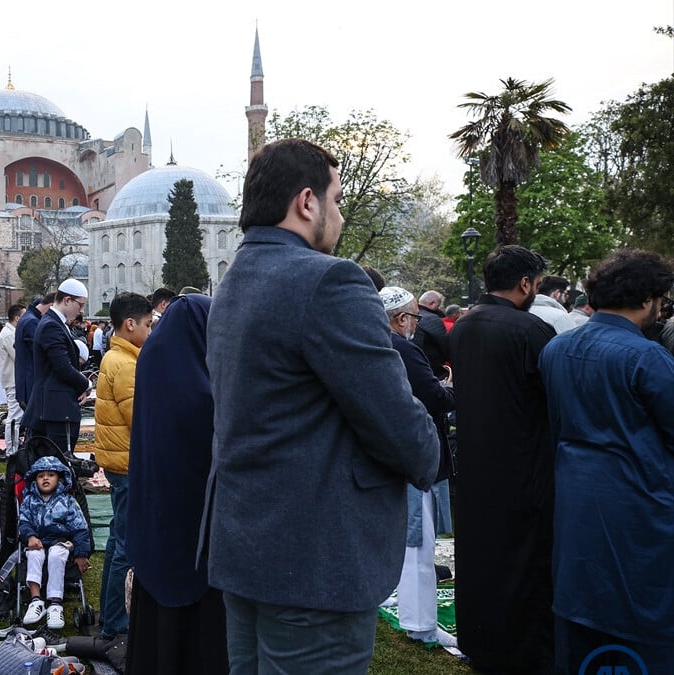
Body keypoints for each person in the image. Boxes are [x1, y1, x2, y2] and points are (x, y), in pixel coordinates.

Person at [206, 139, 439, 674]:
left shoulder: (235, 280)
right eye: (336, 200)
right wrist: (429, 450)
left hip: (248, 546)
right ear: (307, 202)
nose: (339, 215)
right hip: (315, 562)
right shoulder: (329, 279)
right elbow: (399, 425)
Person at [538, 249, 674, 673]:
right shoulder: (647, 357)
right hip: (640, 504)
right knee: (640, 622)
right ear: (648, 299)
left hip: (575, 501)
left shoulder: (555, 348)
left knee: (581, 616)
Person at [448, 245, 556, 673]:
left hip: (477, 463)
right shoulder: (531, 329)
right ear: (525, 283)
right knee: (524, 561)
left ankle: (479, 639)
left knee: (480, 555)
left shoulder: (464, 325)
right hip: (522, 467)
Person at [126, 293, 228, 674]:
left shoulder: (151, 362)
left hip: (155, 516)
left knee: (159, 630)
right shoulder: (203, 388)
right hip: (195, 527)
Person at [379, 287, 457, 648]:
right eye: (414, 316)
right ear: (401, 319)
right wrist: (451, 390)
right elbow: (432, 398)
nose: (416, 323)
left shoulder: (373, 343)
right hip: (413, 455)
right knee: (418, 543)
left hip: (389, 456)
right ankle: (421, 622)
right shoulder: (403, 348)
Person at [94, 292, 153, 642]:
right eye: (148, 324)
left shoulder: (118, 357)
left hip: (120, 461)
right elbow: (140, 419)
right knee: (125, 547)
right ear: (130, 324)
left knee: (118, 541)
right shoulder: (126, 363)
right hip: (128, 463)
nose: (150, 331)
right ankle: (116, 623)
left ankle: (110, 614)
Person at [17, 456, 91, 631]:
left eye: (51, 475)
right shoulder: (29, 500)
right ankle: (36, 601)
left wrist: (81, 553)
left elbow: (80, 529)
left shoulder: (67, 501)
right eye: (41, 475)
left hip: (61, 541)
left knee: (56, 555)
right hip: (37, 541)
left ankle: (55, 604)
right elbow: (24, 522)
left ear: (60, 478)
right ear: (34, 479)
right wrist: (30, 536)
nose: (45, 478)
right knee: (34, 554)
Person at [21, 280, 92, 454]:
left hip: (55, 408)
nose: (81, 311)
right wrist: (86, 384)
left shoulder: (54, 323)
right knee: (58, 462)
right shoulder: (51, 325)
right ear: (67, 300)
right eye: (80, 305)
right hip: (56, 410)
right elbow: (63, 368)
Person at [13, 293, 54, 414]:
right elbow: (40, 353)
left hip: (26, 381)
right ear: (51, 306)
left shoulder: (27, 318)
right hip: (31, 382)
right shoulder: (32, 321)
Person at [0, 305, 24, 457]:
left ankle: (14, 447)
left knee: (16, 416)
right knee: (14, 417)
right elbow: (19, 356)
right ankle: (11, 451)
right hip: (13, 379)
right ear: (17, 318)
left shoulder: (11, 332)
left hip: (15, 378)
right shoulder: (8, 334)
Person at [412, 290, 450, 379]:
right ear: (432, 303)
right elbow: (445, 345)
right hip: (432, 369)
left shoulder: (411, 316)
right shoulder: (432, 319)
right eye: (440, 305)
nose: (442, 309)